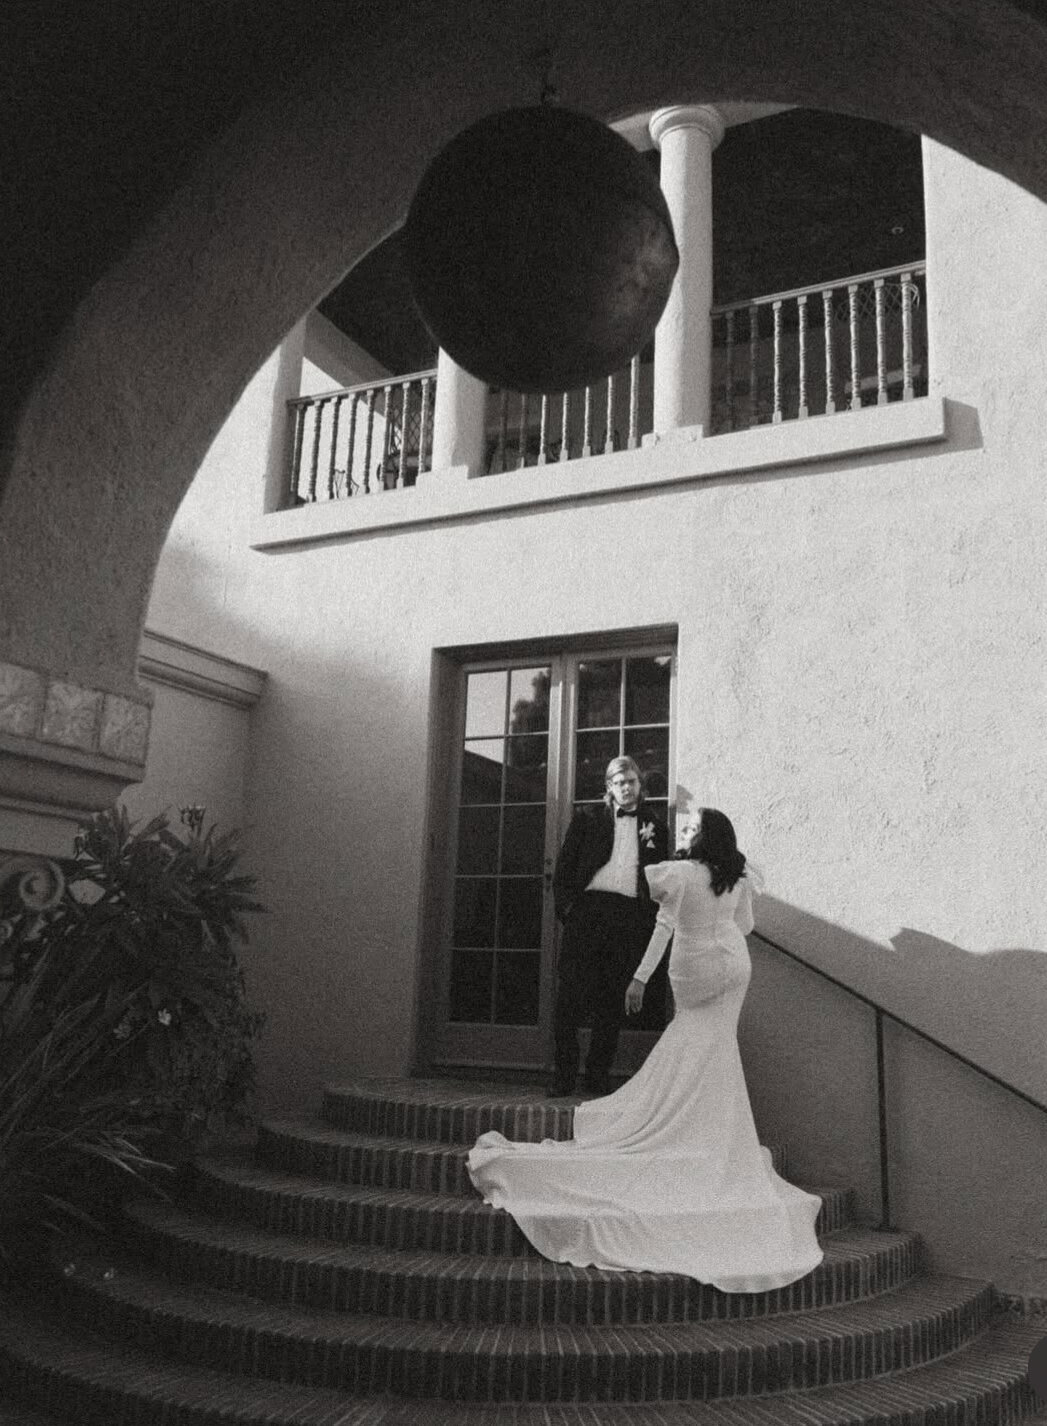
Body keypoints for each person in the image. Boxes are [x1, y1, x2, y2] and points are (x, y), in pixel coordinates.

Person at [467, 808, 824, 1293]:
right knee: (716, 1045)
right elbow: (744, 926)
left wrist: (639, 976)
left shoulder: (676, 872)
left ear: (699, 836)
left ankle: (682, 1119)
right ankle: (710, 1125)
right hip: (734, 966)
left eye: (689, 826)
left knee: (691, 1037)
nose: (682, 831)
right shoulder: (739, 874)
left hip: (694, 964)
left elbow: (663, 926)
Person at [548, 755, 669, 1097]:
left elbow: (659, 876)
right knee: (569, 997)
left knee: (611, 1001)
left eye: (631, 782)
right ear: (609, 788)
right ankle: (564, 1075)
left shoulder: (655, 825)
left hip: (627, 917)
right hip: (587, 912)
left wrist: (646, 920)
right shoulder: (588, 818)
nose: (626, 788)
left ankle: (597, 1075)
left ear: (640, 786)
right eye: (619, 783)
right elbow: (564, 869)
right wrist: (569, 911)